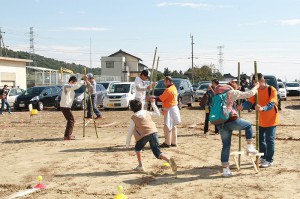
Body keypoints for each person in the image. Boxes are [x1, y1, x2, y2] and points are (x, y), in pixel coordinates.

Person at [215, 80, 260, 177]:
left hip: (221, 123)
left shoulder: (217, 93)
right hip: (231, 120)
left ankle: (225, 170)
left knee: (226, 146)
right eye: (237, 85)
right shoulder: (231, 92)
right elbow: (248, 94)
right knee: (248, 125)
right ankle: (249, 147)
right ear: (233, 86)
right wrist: (256, 87)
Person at [238, 73, 279, 168]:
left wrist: (262, 108)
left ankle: (269, 160)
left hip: (272, 119)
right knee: (260, 140)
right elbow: (249, 102)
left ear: (262, 81)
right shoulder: (256, 91)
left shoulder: (271, 90)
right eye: (254, 83)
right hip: (261, 120)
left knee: (270, 140)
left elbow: (272, 103)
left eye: (257, 83)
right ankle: (263, 156)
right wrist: (242, 106)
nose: (255, 85)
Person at [128, 99, 177, 173]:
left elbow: (130, 131)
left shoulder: (133, 117)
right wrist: (153, 104)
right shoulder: (146, 112)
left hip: (144, 135)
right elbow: (158, 114)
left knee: (137, 148)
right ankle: (169, 160)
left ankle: (140, 166)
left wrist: (127, 144)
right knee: (157, 153)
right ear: (141, 106)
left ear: (131, 108)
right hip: (154, 132)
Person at [159, 76, 181, 148]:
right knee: (173, 126)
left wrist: (154, 97)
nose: (164, 83)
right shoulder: (174, 88)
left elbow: (161, 98)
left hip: (169, 109)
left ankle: (167, 143)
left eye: (165, 82)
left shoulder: (168, 90)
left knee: (167, 126)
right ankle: (174, 142)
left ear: (168, 81)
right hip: (174, 108)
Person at [60, 76, 82, 140]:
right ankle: (67, 135)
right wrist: (83, 80)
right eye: (74, 83)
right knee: (71, 120)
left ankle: (68, 134)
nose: (75, 84)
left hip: (66, 106)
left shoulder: (67, 85)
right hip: (65, 106)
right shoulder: (67, 86)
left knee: (70, 120)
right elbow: (75, 86)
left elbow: (74, 86)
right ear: (71, 81)